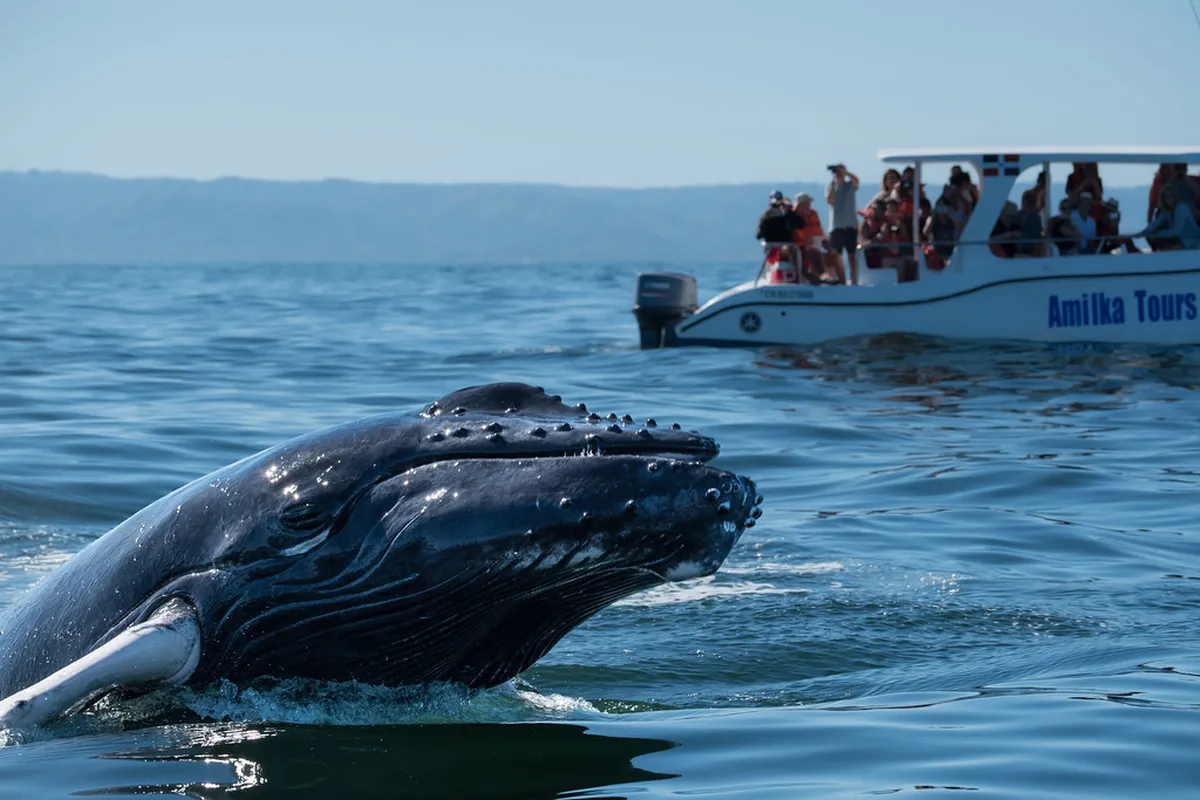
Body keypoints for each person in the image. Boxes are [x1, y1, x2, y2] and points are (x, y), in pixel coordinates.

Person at [1136, 184, 1200, 250]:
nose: (1168, 199)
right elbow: (1156, 223)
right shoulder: (1167, 211)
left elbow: (1177, 230)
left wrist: (1157, 234)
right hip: (1183, 243)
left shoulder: (1181, 208)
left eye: (1171, 196)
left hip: (1193, 242)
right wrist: (1143, 233)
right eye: (1166, 197)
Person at [825, 163, 860, 284]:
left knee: (852, 256)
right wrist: (834, 183)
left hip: (850, 226)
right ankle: (839, 279)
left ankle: (854, 279)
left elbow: (856, 181)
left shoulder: (850, 185)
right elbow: (830, 201)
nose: (837, 174)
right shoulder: (831, 186)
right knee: (836, 256)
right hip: (836, 227)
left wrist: (846, 173)